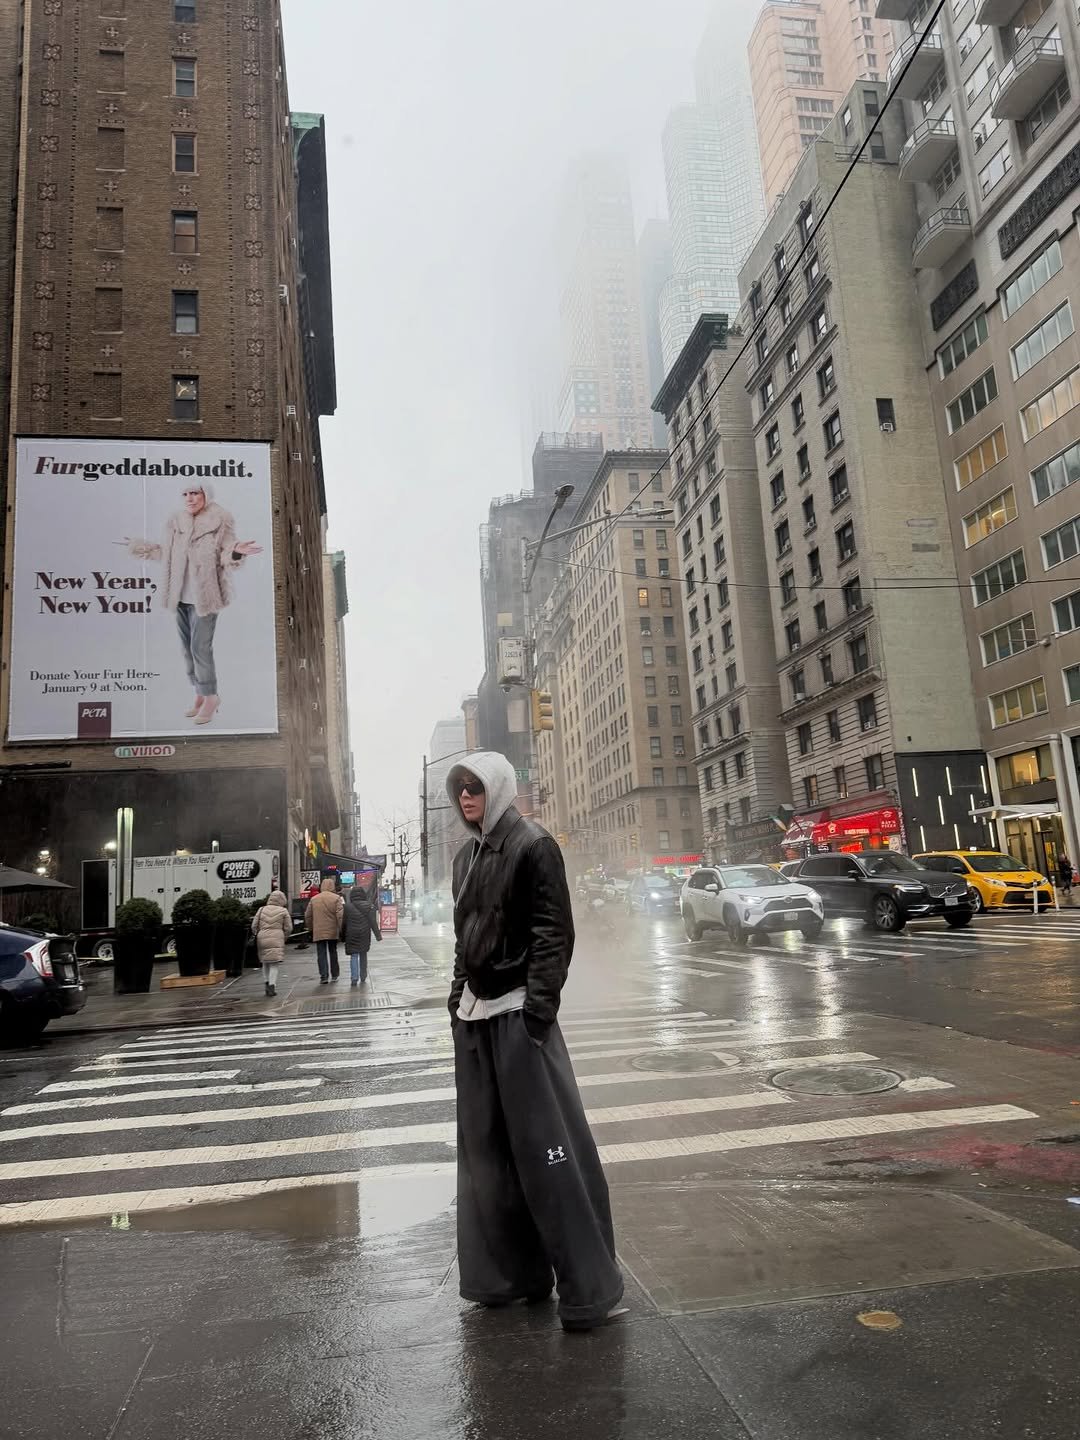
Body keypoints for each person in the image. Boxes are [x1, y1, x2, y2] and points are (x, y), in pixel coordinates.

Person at [445, 750, 624, 1334]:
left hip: (519, 1016)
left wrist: (537, 1015)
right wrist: (457, 999)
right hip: (476, 1020)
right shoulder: (465, 857)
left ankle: (589, 1291)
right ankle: (508, 1279)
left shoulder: (533, 845)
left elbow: (554, 934)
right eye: (459, 788)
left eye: (475, 786)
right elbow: (464, 938)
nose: (466, 796)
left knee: (551, 1157)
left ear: (497, 788)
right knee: (486, 1160)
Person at [125, 484, 262, 726]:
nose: (190, 498)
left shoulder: (220, 518)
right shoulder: (176, 520)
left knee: (200, 648)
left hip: (206, 598)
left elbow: (226, 553)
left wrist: (236, 551)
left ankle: (211, 697)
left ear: (205, 495)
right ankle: (199, 691)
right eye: (186, 494)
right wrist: (141, 547)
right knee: (187, 650)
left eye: (195, 493)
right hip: (180, 597)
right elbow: (167, 553)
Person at [251, 889, 290, 997]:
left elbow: (254, 925)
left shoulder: (261, 909)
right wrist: (285, 937)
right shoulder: (283, 911)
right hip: (277, 937)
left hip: (262, 938)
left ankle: (266, 984)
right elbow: (288, 928)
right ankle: (272, 986)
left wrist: (258, 933)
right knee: (274, 964)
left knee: (265, 962)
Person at [305, 877, 343, 984]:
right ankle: (334, 975)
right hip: (332, 930)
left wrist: (311, 928)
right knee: (333, 952)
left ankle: (324, 976)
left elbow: (307, 916)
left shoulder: (314, 899)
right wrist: (340, 929)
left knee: (321, 953)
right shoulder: (336, 898)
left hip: (319, 930)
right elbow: (340, 915)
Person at [344, 884, 382, 986]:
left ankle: (354, 978)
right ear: (363, 895)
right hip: (364, 933)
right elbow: (373, 922)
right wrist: (378, 935)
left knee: (354, 955)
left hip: (351, 933)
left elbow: (344, 923)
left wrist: (342, 935)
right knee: (363, 954)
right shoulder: (369, 906)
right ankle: (363, 975)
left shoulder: (347, 907)